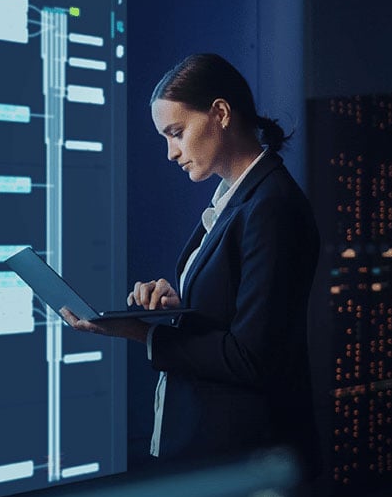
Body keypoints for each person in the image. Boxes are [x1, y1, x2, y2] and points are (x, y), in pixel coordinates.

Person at [60, 53, 320, 474]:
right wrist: (181, 305)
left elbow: (251, 357)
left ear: (220, 113)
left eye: (176, 133)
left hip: (248, 461)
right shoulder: (238, 200)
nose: (170, 153)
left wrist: (141, 334)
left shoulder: (271, 207)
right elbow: (239, 315)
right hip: (223, 454)